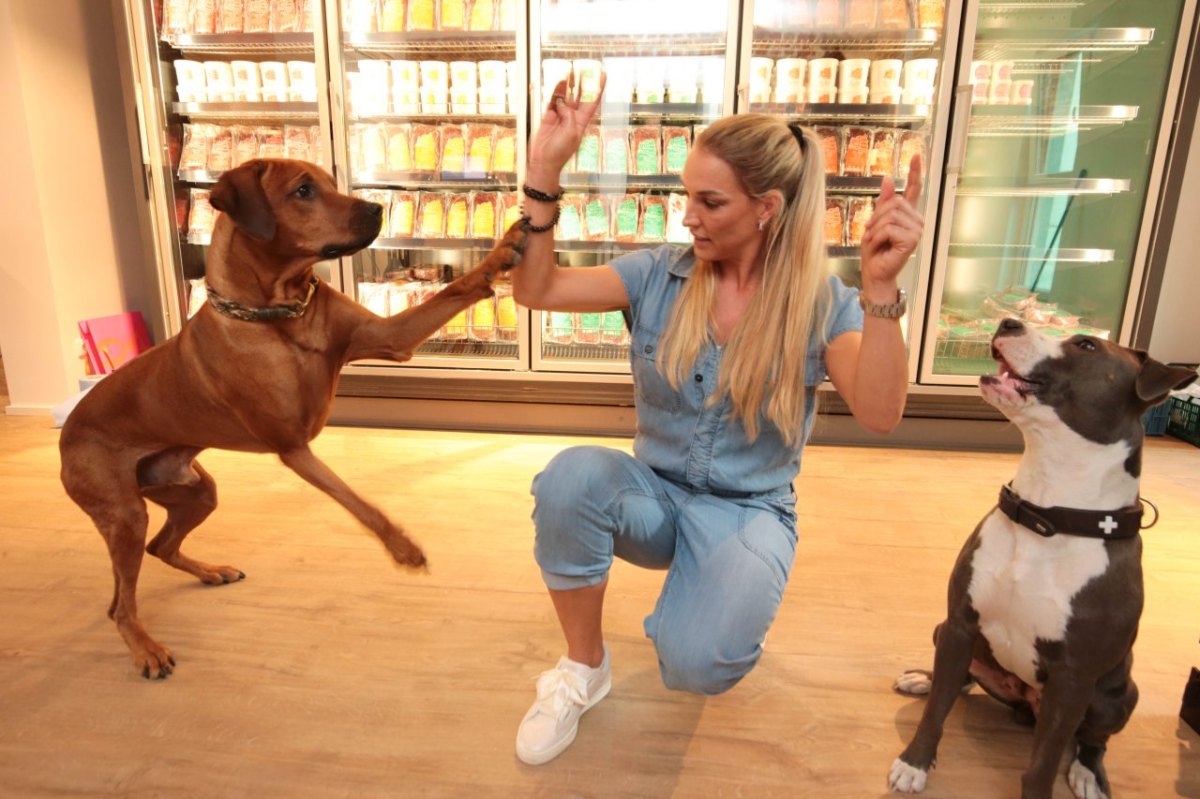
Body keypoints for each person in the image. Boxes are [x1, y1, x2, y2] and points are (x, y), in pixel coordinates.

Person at [510, 74, 924, 766]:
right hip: (656, 494)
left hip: (749, 509)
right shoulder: (657, 275)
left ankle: (709, 595)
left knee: (697, 666)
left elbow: (881, 412)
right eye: (685, 197)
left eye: (709, 201)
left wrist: (880, 289)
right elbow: (536, 288)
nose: (688, 217)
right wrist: (543, 173)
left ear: (766, 207)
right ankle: (584, 667)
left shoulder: (823, 304)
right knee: (569, 478)